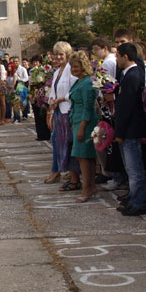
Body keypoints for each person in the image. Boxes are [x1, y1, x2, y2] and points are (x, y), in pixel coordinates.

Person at [114, 43, 146, 216]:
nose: (116, 60)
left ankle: (139, 202)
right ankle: (133, 198)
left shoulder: (133, 75)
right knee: (130, 168)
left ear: (125, 56)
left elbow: (126, 107)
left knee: (134, 169)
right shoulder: (128, 75)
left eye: (118, 56)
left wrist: (119, 132)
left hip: (130, 129)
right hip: (128, 129)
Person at [45, 42, 79, 188]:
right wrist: (52, 100)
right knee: (59, 143)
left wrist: (60, 99)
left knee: (69, 144)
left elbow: (74, 90)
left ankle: (73, 178)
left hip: (68, 110)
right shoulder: (57, 71)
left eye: (61, 54)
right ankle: (64, 172)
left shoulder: (71, 69)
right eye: (56, 54)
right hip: (59, 111)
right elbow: (54, 90)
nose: (58, 57)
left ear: (67, 54)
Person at [69, 51, 99, 202]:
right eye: (72, 66)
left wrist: (81, 127)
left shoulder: (87, 83)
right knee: (84, 156)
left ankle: (87, 188)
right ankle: (90, 186)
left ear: (83, 66)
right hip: (77, 121)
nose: (73, 69)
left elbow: (88, 107)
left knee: (83, 156)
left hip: (85, 122)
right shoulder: (79, 81)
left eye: (76, 66)